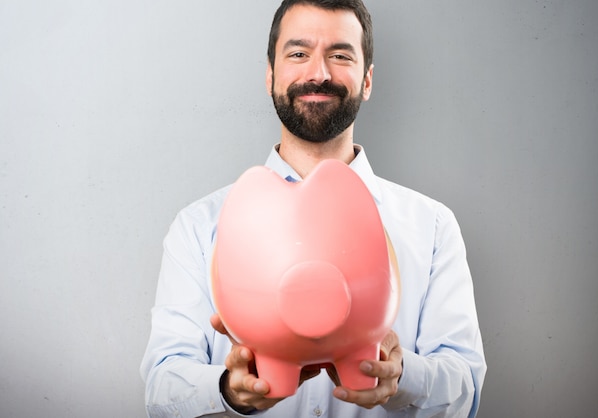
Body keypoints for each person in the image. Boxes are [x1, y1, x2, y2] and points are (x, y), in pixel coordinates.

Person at [140, 0, 487, 417]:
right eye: (298, 54)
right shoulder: (199, 227)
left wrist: (403, 377)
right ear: (271, 75)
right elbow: (161, 390)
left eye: (340, 55)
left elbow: (466, 391)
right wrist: (227, 390)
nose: (318, 73)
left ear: (368, 80)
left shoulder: (431, 227)